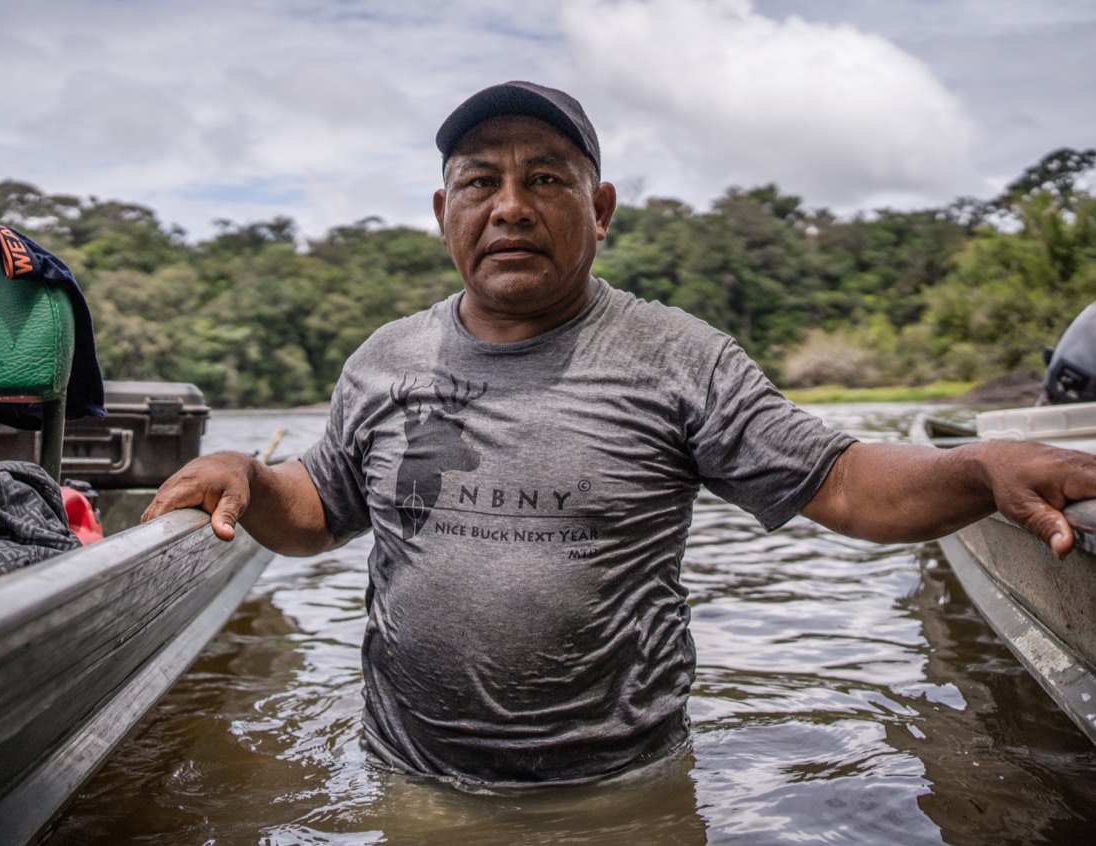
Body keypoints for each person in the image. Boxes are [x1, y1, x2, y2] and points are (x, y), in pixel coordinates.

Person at [144, 81, 1096, 785]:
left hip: (616, 789)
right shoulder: (386, 360)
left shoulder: (678, 356)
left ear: (598, 210)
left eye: (545, 178)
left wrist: (976, 466)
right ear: (445, 214)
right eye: (480, 182)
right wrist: (244, 475)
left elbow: (844, 482)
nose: (509, 205)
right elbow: (319, 509)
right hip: (408, 778)